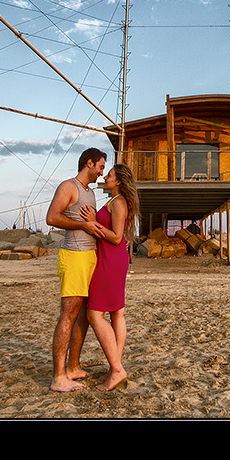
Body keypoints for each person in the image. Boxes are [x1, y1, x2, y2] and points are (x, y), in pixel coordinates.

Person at [45, 147, 107, 392]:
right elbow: (52, 218)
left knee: (84, 316)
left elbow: (93, 224)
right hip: (74, 256)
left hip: (90, 257)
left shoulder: (90, 193)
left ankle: (73, 367)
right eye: (100, 167)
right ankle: (58, 377)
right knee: (68, 314)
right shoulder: (68, 187)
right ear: (89, 163)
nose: (102, 173)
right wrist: (84, 225)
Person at [80, 163, 139, 391]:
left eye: (110, 174)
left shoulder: (120, 203)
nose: (106, 176)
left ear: (119, 182)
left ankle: (116, 369)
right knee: (116, 313)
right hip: (112, 259)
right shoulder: (114, 201)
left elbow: (115, 237)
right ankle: (114, 368)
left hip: (111, 260)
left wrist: (92, 223)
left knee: (95, 314)